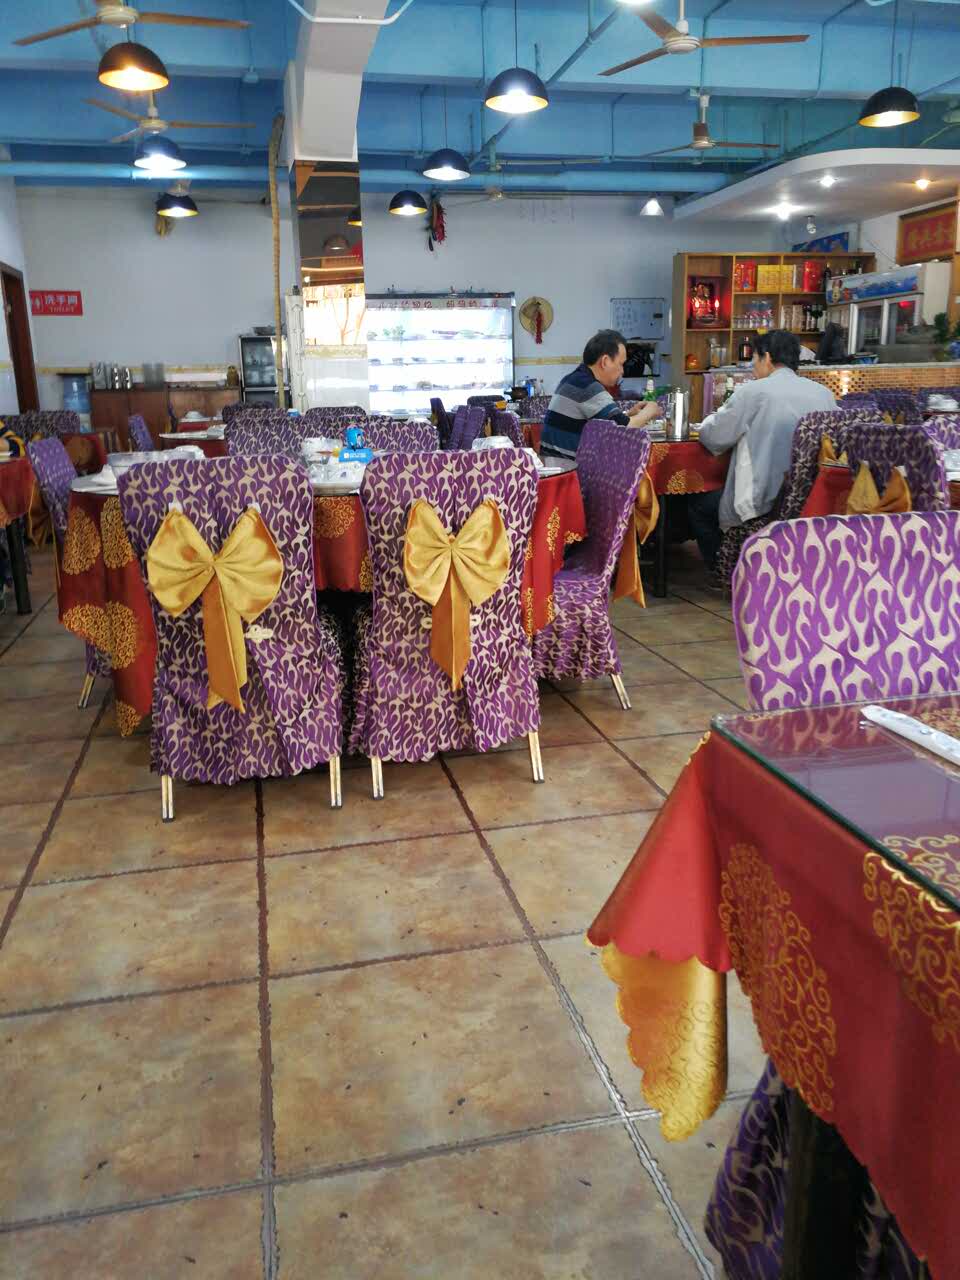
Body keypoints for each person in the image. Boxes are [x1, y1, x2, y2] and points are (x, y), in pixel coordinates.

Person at [688, 329, 835, 570]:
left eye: (754, 359)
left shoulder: (754, 392)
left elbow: (715, 436)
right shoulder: (824, 394)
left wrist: (706, 424)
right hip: (811, 499)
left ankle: (724, 570)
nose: (752, 367)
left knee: (698, 506)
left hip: (763, 500)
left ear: (766, 357)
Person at [542, 329, 661, 455]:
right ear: (605, 362)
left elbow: (611, 422)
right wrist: (650, 411)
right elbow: (624, 429)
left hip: (555, 460)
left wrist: (629, 415)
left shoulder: (575, 379)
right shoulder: (588, 386)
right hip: (567, 465)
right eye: (621, 364)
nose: (622, 371)